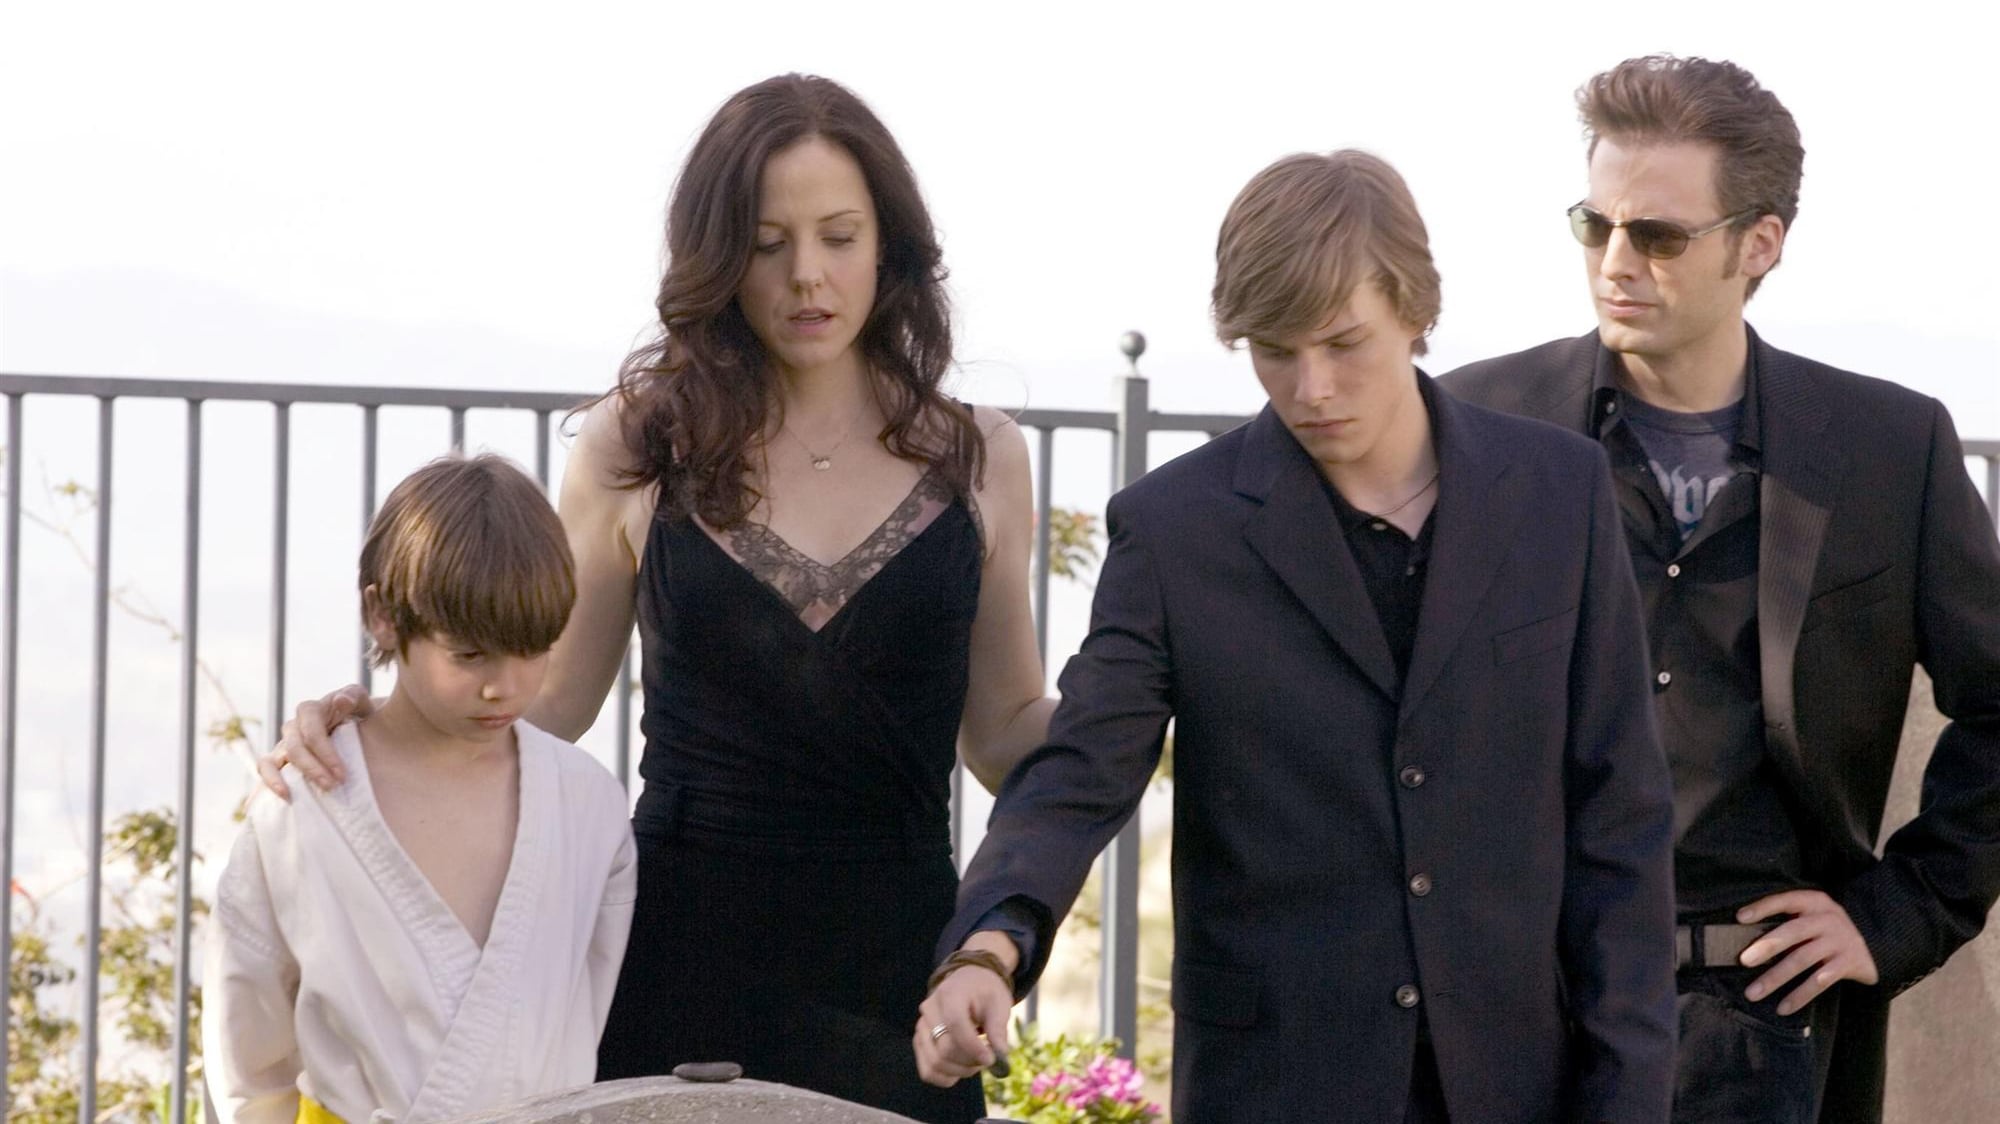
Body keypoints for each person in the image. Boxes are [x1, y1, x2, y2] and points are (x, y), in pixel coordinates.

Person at [261, 74, 1050, 1123]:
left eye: (838, 236)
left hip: (901, 985)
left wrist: (1156, 695)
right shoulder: (638, 442)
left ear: (889, 245)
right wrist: (368, 728)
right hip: (675, 966)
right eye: (766, 244)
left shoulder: (979, 454)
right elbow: (545, 701)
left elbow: (1004, 734)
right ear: (718, 257)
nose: (806, 275)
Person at [918, 149, 1678, 1122]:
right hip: (1273, 1084)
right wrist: (989, 945)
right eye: (1274, 350)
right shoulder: (1175, 529)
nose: (1311, 386)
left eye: (1342, 342)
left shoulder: (1559, 493)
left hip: (1515, 1080)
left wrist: (1626, 1098)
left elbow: (1620, 816)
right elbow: (1078, 770)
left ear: (1414, 310)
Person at [1441, 54, 2000, 1124]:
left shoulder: (1890, 448)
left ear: (1759, 243)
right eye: (1593, 225)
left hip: (1769, 1033)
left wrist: (1899, 912)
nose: (1615, 262)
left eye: (1656, 235)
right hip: (1513, 1021)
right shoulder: (1475, 428)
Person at [205, 454, 638, 1124]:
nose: (503, 686)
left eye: (533, 649)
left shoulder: (588, 807)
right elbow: (249, 1060)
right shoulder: (301, 810)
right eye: (469, 654)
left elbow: (596, 1009)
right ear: (382, 615)